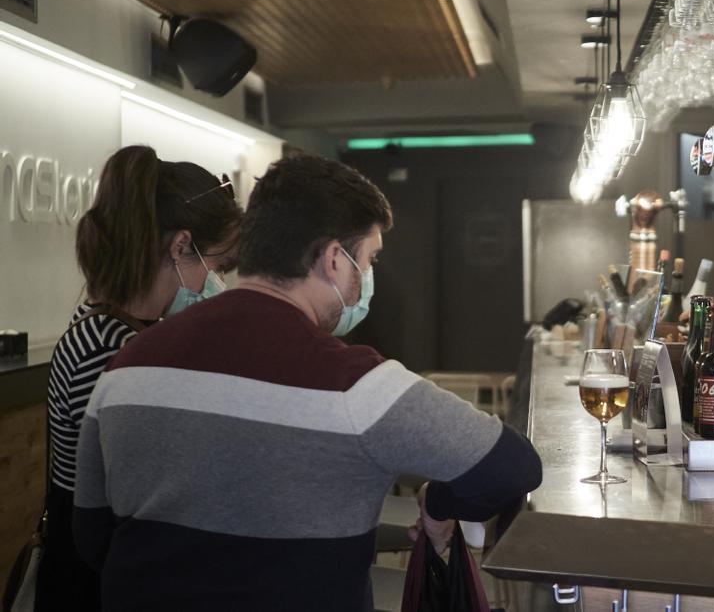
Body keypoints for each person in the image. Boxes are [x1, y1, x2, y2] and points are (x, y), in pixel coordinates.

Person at [72, 155, 543, 611]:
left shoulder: (126, 367)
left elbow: (91, 536)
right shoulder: (360, 388)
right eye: (369, 259)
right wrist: (439, 503)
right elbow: (513, 465)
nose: (369, 276)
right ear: (334, 259)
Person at [36, 146, 241, 612]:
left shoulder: (121, 329)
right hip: (96, 583)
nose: (219, 284)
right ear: (180, 246)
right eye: (218, 267)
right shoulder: (109, 345)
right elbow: (136, 496)